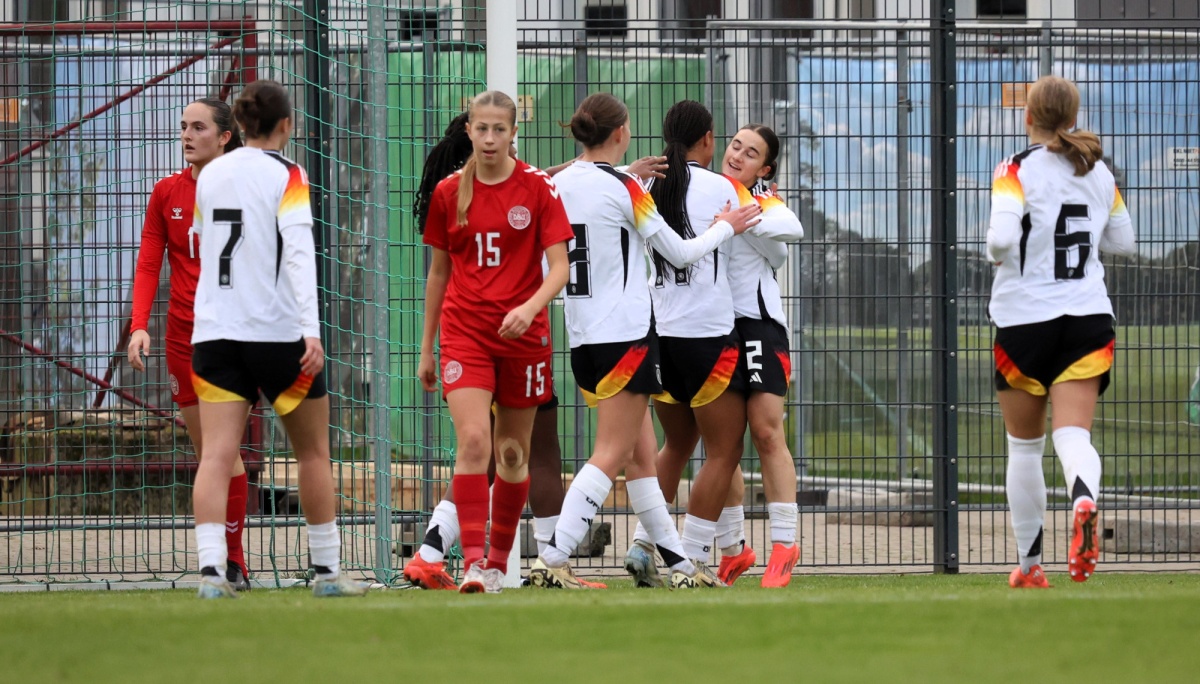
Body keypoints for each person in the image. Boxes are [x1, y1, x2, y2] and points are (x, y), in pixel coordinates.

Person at [525, 93, 761, 590]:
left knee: (641, 461)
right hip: (625, 337)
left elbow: (546, 178)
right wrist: (724, 226)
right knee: (611, 453)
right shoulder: (628, 189)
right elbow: (679, 253)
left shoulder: (558, 184)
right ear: (619, 133)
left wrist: (612, 168)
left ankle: (680, 568)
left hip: (583, 337)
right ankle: (554, 557)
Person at [401, 112, 599, 590]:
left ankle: (432, 552)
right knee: (519, 451)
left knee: (496, 454)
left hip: (520, 340)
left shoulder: (513, 185)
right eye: (485, 131)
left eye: (499, 131)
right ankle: (544, 561)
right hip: (494, 334)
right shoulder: (460, 193)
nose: (494, 140)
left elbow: (533, 185)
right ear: (475, 137)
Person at [189, 79, 368, 598]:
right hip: (276, 333)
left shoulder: (210, 174)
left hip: (216, 331)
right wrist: (310, 331)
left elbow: (203, 243)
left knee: (217, 455)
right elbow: (298, 253)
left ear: (239, 126)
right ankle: (328, 573)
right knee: (313, 451)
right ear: (286, 125)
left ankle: (210, 575)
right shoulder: (288, 174)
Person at [987, 75, 1135, 588]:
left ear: (1028, 117)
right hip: (1088, 318)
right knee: (1073, 435)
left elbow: (1001, 238)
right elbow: (1125, 240)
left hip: (1024, 320)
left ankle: (1029, 567)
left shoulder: (1015, 168)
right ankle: (1085, 498)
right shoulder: (1097, 173)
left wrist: (997, 253)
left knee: (1024, 449)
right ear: (1072, 119)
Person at [619, 99, 752, 588]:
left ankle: (642, 542)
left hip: (659, 334)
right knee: (724, 452)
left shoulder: (645, 183)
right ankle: (690, 559)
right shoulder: (723, 187)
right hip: (709, 336)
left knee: (677, 443)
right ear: (708, 139)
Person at [127, 98, 252, 591]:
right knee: (210, 454)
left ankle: (232, 563)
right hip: (183, 338)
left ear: (224, 136)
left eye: (198, 127)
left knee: (227, 453)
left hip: (234, 337)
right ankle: (218, 565)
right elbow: (148, 263)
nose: (186, 135)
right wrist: (140, 324)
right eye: (183, 126)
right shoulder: (167, 193)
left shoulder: (247, 188)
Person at [713, 123, 806, 587]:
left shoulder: (763, 197)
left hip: (759, 327)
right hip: (710, 328)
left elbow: (791, 228)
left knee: (767, 432)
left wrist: (738, 218)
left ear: (764, 168)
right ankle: (733, 550)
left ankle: (785, 544)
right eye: (735, 146)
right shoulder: (703, 188)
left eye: (751, 154)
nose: (738, 156)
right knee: (723, 445)